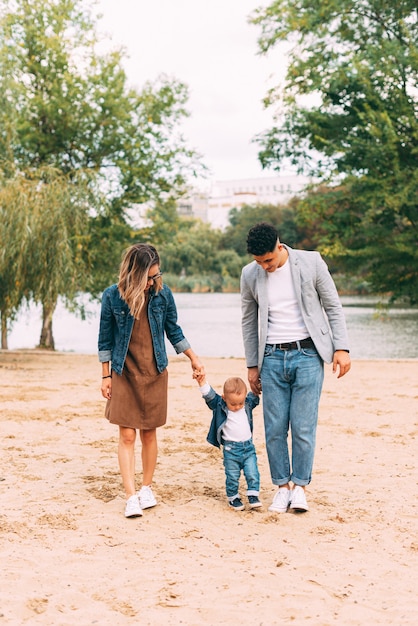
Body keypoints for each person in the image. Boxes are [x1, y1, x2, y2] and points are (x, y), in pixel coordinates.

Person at [240, 222, 351, 513]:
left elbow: (333, 306)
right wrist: (252, 365)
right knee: (275, 429)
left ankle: (300, 487)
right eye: (258, 261)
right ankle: (281, 487)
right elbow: (249, 322)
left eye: (268, 260)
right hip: (271, 359)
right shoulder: (249, 274)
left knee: (303, 427)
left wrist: (342, 348)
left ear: (279, 247)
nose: (265, 266)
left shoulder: (311, 262)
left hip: (308, 355)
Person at [98, 243, 204, 518]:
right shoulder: (112, 296)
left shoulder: (162, 294)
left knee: (149, 432)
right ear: (135, 274)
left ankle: (146, 487)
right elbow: (105, 340)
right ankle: (130, 495)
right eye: (149, 277)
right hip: (124, 372)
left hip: (155, 370)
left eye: (156, 276)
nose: (153, 281)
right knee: (126, 434)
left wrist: (193, 357)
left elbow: (173, 330)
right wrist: (105, 375)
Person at [194, 371, 262, 511]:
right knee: (232, 476)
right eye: (233, 404)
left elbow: (255, 395)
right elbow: (210, 395)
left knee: (253, 473)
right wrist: (202, 381)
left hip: (248, 448)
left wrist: (259, 383)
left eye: (240, 403)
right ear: (224, 398)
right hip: (231, 450)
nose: (237, 407)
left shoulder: (247, 404)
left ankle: (253, 495)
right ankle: (233, 497)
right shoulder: (220, 405)